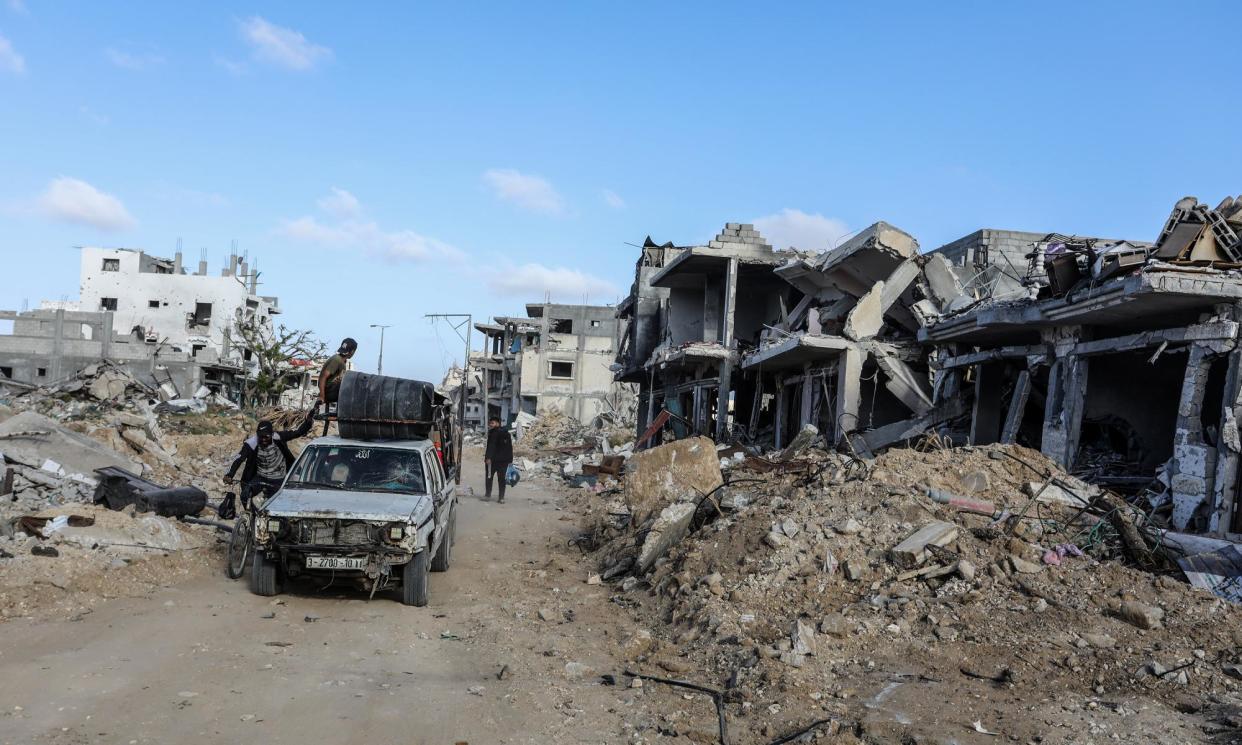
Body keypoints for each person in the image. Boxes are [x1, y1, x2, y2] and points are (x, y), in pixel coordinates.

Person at [223, 403, 319, 512]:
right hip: (260, 477)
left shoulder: (278, 437)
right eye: (261, 436)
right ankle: (253, 518)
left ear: (272, 434)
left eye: (266, 436)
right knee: (245, 496)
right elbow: (238, 459)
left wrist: (308, 421)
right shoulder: (252, 443)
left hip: (279, 478)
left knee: (277, 507)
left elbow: (298, 432)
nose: (263, 439)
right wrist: (229, 474)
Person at [319, 338, 358, 404]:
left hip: (332, 390)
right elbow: (323, 377)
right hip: (329, 392)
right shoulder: (337, 360)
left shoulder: (342, 361)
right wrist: (322, 396)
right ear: (352, 351)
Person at [483, 415, 513, 503]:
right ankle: (501, 498)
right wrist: (510, 460)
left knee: (489, 478)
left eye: (492, 423)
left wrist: (488, 458)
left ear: (497, 423)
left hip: (492, 461)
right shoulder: (507, 433)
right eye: (490, 423)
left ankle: (488, 495)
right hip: (504, 461)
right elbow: (510, 448)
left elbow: (491, 446)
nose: (490, 425)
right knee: (502, 480)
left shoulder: (493, 433)